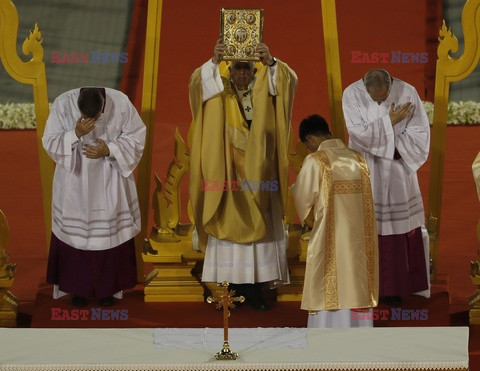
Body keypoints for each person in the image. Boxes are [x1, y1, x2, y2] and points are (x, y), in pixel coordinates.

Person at [188, 39, 298, 310]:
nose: (241, 74)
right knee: (230, 237)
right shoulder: (219, 90)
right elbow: (197, 85)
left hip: (260, 175)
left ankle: (258, 289)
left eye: (247, 68)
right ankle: (230, 289)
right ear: (229, 70)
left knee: (259, 240)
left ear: (253, 70)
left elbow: (287, 82)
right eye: (236, 68)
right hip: (226, 174)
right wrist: (213, 61)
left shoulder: (265, 86)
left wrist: (271, 62)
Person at [42, 87, 146, 307]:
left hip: (110, 180)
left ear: (103, 109)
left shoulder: (121, 102)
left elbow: (137, 136)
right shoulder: (63, 103)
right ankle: (77, 290)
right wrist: (75, 134)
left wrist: (109, 150)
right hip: (75, 182)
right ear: (77, 106)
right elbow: (49, 140)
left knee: (109, 236)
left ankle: (108, 290)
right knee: (75, 237)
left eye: (95, 118)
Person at [342, 69, 430, 306]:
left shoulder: (407, 92)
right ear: (366, 88)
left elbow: (420, 132)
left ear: (390, 86)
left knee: (399, 228)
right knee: (368, 226)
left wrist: (394, 149)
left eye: (384, 97)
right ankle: (364, 286)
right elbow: (357, 134)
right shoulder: (351, 94)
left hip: (398, 169)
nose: (381, 102)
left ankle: (396, 287)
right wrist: (389, 122)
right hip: (367, 170)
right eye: (376, 99)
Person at [291, 114, 378, 328]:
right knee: (356, 278)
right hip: (360, 236)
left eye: (307, 145)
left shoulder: (316, 160)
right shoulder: (358, 158)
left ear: (310, 139)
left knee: (328, 279)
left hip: (330, 235)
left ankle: (326, 334)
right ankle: (359, 331)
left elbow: (303, 197)